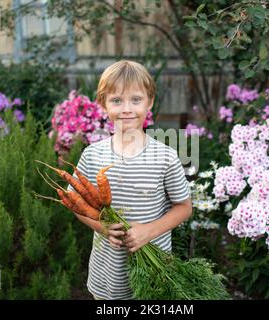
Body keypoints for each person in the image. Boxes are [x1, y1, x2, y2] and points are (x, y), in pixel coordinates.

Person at [68, 60, 192, 300]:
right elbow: (76, 204)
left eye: (136, 100)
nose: (126, 109)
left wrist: (149, 231)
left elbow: (184, 208)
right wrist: (101, 227)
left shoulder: (165, 157)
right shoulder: (92, 155)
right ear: (103, 104)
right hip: (107, 272)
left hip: (154, 271)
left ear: (150, 102)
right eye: (117, 100)